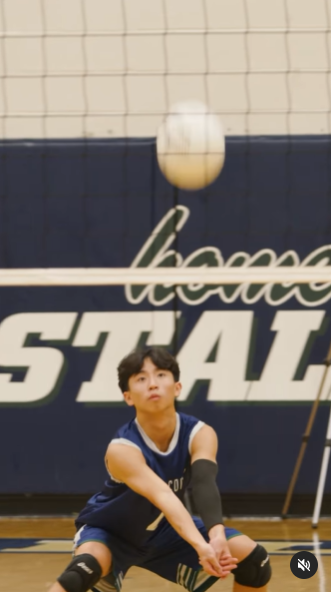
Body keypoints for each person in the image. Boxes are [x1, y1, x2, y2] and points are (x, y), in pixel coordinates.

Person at [48, 347, 271, 592]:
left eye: (161, 375)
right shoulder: (122, 449)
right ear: (128, 396)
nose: (153, 384)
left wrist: (216, 536)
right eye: (141, 379)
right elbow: (163, 496)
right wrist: (201, 545)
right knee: (79, 574)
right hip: (110, 532)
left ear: (177, 387)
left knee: (254, 561)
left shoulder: (200, 434)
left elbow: (204, 482)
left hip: (163, 530)